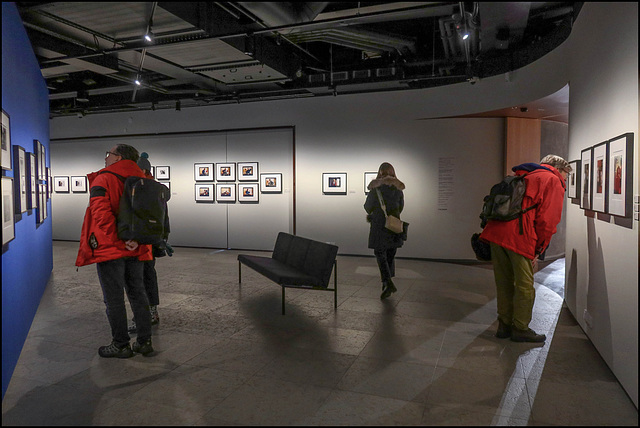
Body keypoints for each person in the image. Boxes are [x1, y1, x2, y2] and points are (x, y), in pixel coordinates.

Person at [480, 154, 572, 343]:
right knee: (524, 286)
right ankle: (520, 328)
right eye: (566, 174)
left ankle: (504, 325)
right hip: (519, 236)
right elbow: (548, 221)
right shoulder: (552, 180)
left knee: (503, 281)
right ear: (560, 169)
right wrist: (538, 249)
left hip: (496, 233)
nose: (565, 179)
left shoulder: (524, 174)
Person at [75, 144, 154, 358]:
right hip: (137, 247)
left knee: (114, 298)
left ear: (118, 157)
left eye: (109, 154)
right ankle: (145, 342)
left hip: (113, 248)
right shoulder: (145, 178)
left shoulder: (104, 178)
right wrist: (133, 240)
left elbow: (100, 213)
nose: (106, 157)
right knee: (138, 293)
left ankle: (121, 344)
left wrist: (121, 239)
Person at [128, 152, 172, 333]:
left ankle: (147, 315)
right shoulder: (157, 188)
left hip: (143, 239)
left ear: (143, 169)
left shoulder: (143, 187)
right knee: (147, 274)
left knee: (141, 277)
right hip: (153, 238)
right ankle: (151, 312)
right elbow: (164, 215)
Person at [364, 162, 406, 300]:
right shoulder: (398, 189)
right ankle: (386, 283)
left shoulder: (376, 189)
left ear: (380, 173)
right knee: (389, 254)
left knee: (379, 253)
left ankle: (387, 282)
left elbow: (367, 207)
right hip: (393, 226)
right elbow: (400, 208)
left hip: (379, 226)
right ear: (393, 172)